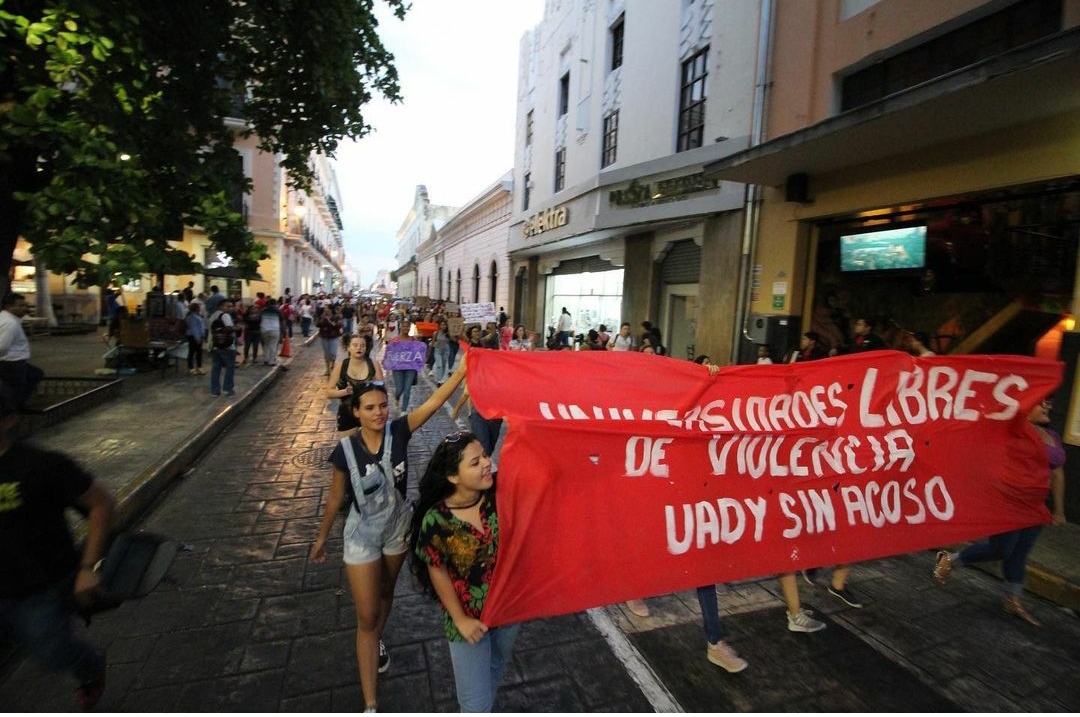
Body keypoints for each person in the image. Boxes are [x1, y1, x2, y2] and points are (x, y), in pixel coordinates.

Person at [309, 360, 469, 712]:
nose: (379, 412)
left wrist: (461, 372)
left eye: (383, 405)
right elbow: (336, 497)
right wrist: (321, 537)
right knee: (366, 616)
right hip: (361, 535)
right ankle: (370, 703)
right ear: (356, 412)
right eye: (370, 408)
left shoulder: (400, 431)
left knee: (385, 592)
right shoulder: (346, 450)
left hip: (398, 530)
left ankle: (375, 641)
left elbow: (432, 404)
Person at [0, 389, 115, 710]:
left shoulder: (40, 466)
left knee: (52, 654)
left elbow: (101, 504)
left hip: (39, 586)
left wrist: (88, 568)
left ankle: (90, 666)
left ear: (9, 420)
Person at [409, 431, 519, 712]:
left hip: (508, 611)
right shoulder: (436, 520)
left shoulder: (499, 498)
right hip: (467, 622)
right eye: (475, 462)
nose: (486, 462)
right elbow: (437, 569)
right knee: (474, 704)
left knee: (495, 666)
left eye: (484, 455)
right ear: (453, 477)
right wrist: (459, 618)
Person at [933, 397, 1067, 626]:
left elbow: (1057, 474)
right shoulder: (1012, 432)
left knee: (1019, 554)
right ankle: (951, 559)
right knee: (1002, 550)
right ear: (1025, 407)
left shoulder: (1052, 436)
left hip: (1035, 507)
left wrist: (1059, 510)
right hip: (1009, 503)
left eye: (1049, 403)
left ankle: (1012, 600)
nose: (1048, 406)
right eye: (1041, 402)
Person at [327, 335, 384, 435]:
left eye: (362, 346)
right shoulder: (341, 366)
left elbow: (381, 388)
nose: (359, 348)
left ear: (366, 348)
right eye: (355, 345)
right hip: (347, 413)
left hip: (370, 414)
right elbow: (329, 392)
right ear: (348, 347)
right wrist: (344, 392)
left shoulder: (373, 364)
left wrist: (373, 386)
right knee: (348, 447)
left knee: (370, 448)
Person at [0, 292, 44, 409]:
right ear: (8, 306)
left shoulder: (8, 319)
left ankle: (15, 406)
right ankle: (11, 412)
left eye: (25, 305)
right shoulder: (10, 323)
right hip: (12, 362)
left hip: (13, 361)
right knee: (14, 390)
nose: (24, 309)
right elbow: (2, 347)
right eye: (20, 306)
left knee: (35, 374)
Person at [208, 298, 237, 396]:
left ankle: (215, 390)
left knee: (216, 368)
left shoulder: (212, 316)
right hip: (227, 346)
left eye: (231, 306)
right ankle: (228, 388)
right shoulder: (225, 315)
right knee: (229, 368)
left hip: (216, 345)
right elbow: (229, 328)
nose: (230, 308)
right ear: (221, 306)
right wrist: (237, 328)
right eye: (227, 306)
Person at [388, 319, 418, 411]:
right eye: (404, 326)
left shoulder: (413, 340)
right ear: (401, 327)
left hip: (410, 367)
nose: (406, 328)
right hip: (398, 368)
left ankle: (403, 410)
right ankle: (396, 398)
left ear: (410, 328)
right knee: (399, 389)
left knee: (407, 390)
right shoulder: (394, 340)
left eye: (407, 326)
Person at [317, 305, 344, 375]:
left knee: (333, 353)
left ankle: (333, 363)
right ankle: (327, 369)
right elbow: (318, 324)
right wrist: (322, 319)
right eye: (325, 308)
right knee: (326, 354)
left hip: (333, 336)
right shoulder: (322, 316)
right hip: (324, 336)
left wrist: (328, 320)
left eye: (326, 308)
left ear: (331, 309)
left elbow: (338, 325)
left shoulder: (336, 317)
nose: (325, 309)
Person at [258, 298, 284, 366]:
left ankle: (266, 359)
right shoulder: (278, 311)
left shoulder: (263, 310)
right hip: (274, 329)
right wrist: (283, 331)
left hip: (264, 329)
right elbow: (282, 320)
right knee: (273, 345)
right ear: (275, 303)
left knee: (266, 344)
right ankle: (271, 361)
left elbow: (259, 318)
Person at [185, 302, 206, 375]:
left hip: (199, 336)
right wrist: (197, 338)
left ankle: (199, 366)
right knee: (192, 352)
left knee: (199, 352)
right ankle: (191, 367)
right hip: (194, 337)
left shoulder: (197, 316)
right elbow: (194, 329)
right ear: (196, 308)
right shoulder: (192, 317)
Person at [240, 299, 262, 365]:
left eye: (256, 309)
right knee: (247, 345)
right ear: (249, 309)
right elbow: (243, 322)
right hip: (249, 332)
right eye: (253, 308)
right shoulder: (246, 316)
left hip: (257, 332)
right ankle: (246, 358)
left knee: (255, 346)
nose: (255, 310)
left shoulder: (259, 316)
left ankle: (254, 358)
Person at [431, 320, 452, 385]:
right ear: (439, 325)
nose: (443, 326)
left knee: (443, 365)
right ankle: (439, 380)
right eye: (442, 325)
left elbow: (454, 340)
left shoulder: (448, 334)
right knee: (439, 365)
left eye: (444, 325)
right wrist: (429, 352)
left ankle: (441, 379)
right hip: (438, 350)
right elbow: (433, 342)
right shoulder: (436, 333)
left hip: (446, 350)